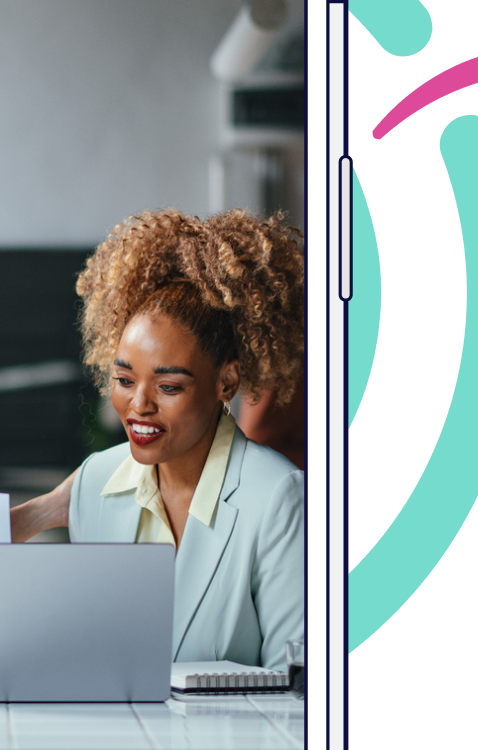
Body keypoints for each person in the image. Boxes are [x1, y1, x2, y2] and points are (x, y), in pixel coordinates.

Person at [65, 208, 305, 671]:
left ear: (227, 383)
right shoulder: (95, 483)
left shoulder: (277, 497)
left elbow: (297, 693)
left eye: (169, 387)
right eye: (124, 379)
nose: (139, 405)